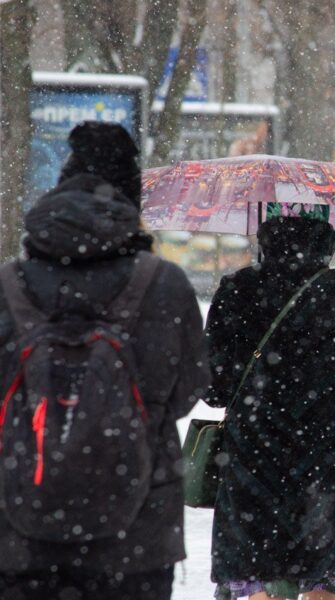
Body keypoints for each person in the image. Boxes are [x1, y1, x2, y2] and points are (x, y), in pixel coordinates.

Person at [0, 121, 210, 599]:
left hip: (19, 525)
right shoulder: (165, 283)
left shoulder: (8, 285)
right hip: (136, 534)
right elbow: (189, 389)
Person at [205, 206, 335, 600]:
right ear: (326, 239)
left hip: (253, 467)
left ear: (265, 237)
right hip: (330, 472)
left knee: (257, 580)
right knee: (323, 580)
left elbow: (214, 390)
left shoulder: (236, 290)